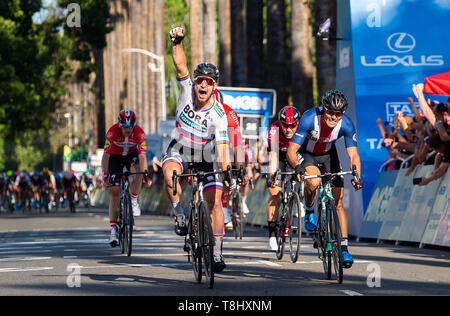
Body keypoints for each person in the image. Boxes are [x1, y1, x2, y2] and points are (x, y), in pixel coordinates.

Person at [162, 26, 232, 272]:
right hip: (180, 145)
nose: (202, 85)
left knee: (215, 204)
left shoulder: (219, 115)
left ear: (214, 87)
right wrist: (177, 42)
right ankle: (178, 211)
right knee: (170, 172)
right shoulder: (186, 90)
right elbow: (181, 67)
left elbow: (223, 151)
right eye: (200, 80)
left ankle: (217, 252)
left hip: (205, 153)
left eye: (208, 82)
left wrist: (227, 172)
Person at [287, 90, 362, 268]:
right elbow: (291, 150)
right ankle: (310, 210)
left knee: (338, 202)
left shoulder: (347, 124)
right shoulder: (309, 118)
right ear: (324, 109)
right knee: (313, 181)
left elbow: (354, 155)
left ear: (342, 114)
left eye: (337, 114)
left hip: (329, 155)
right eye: (330, 112)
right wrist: (297, 166)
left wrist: (356, 175)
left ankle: (344, 249)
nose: (333, 117)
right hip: (307, 153)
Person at [101, 109, 149, 247]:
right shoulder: (112, 132)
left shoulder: (139, 133)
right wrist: (105, 174)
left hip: (130, 155)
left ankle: (133, 200)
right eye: (125, 126)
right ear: (120, 125)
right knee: (114, 191)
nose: (128, 129)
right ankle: (113, 230)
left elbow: (142, 156)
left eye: (130, 126)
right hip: (115, 158)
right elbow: (106, 156)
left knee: (138, 172)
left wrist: (145, 173)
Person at [266, 106, 301, 250]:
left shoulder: (302, 129)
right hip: (278, 156)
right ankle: (272, 235)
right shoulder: (274, 130)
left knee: (303, 172)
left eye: (292, 126)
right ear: (280, 123)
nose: (288, 129)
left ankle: (300, 199)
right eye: (285, 125)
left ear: (297, 124)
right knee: (274, 193)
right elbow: (273, 156)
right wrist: (273, 175)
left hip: (294, 154)